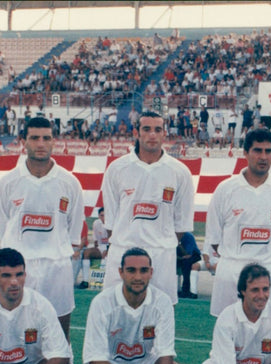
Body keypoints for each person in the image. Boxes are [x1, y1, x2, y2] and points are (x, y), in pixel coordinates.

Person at [0, 116, 84, 364]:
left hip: (57, 269)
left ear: (54, 140)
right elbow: (2, 231)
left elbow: (73, 235)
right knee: (8, 335)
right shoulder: (7, 182)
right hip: (20, 271)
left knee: (61, 338)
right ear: (24, 141)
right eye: (35, 138)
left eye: (47, 138)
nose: (41, 144)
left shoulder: (69, 182)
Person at [100, 110, 194, 304]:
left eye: (157, 129)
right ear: (136, 132)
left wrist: (159, 242)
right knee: (114, 310)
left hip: (162, 254)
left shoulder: (180, 172)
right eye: (147, 129)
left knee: (163, 312)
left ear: (164, 134)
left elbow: (181, 225)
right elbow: (111, 221)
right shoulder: (117, 169)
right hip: (123, 250)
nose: (152, 134)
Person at [206, 128, 271, 316]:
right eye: (257, 150)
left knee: (267, 335)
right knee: (227, 333)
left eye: (268, 151)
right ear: (245, 153)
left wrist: (264, 256)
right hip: (231, 272)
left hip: (268, 272)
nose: (263, 157)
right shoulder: (225, 190)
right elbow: (214, 238)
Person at [78, 207, 109, 288]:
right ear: (98, 216)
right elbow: (96, 241)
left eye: (105, 215)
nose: (103, 217)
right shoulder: (96, 223)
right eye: (101, 215)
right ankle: (85, 281)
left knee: (107, 256)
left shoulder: (113, 223)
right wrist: (96, 250)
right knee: (86, 253)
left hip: (111, 248)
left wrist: (108, 250)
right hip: (101, 247)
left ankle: (106, 281)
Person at [177, 231, 202, 299]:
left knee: (186, 264)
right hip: (180, 256)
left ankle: (186, 290)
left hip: (193, 255)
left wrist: (179, 244)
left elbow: (188, 255)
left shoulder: (188, 236)